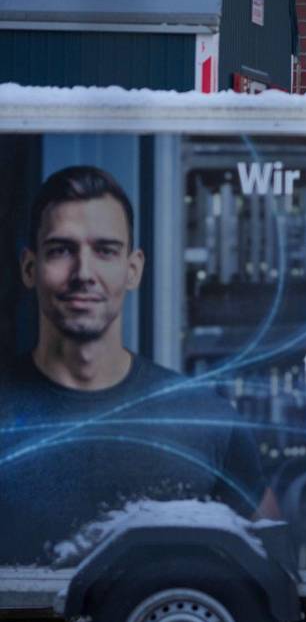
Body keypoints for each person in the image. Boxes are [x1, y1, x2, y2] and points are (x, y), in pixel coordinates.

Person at [0, 166, 277, 565]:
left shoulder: (206, 422)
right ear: (30, 268)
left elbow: (275, 579)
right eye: (61, 250)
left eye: (106, 251)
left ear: (133, 269)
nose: (84, 274)